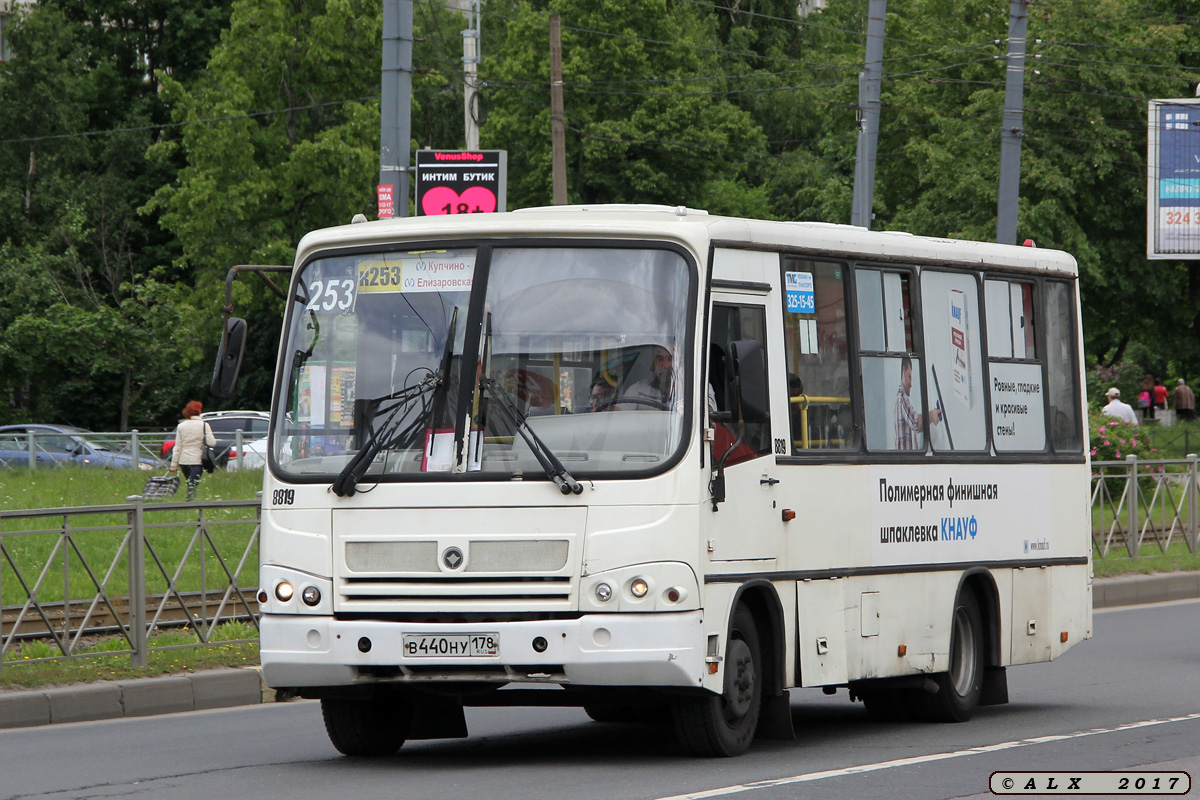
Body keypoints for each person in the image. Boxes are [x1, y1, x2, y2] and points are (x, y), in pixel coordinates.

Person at [169, 400, 217, 500]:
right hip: (197, 460)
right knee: (193, 485)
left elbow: (177, 447)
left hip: (184, 461)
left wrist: (173, 465)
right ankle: (191, 502)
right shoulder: (204, 425)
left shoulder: (181, 426)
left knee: (189, 483)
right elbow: (212, 443)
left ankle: (190, 502)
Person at [894, 356, 941, 449]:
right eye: (909, 377)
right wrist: (932, 416)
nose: (911, 384)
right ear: (903, 371)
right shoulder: (901, 398)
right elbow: (917, 424)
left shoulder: (901, 397)